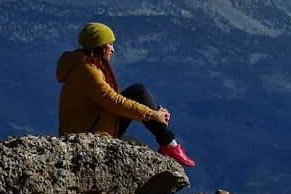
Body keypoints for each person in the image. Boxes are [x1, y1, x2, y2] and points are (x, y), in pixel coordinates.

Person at [56, 22, 195, 167]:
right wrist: (153, 115)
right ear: (99, 46)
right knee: (137, 92)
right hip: (89, 134)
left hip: (93, 127)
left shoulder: (86, 66)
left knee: (147, 154)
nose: (113, 49)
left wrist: (153, 114)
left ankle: (168, 147)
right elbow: (114, 101)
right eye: (110, 44)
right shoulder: (86, 71)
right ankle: (170, 144)